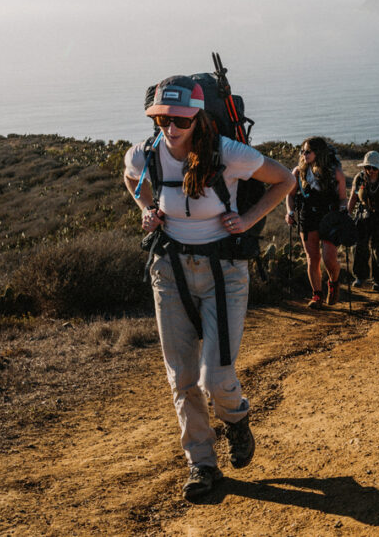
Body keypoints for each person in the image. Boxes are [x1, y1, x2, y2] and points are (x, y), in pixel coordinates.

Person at [123, 75, 295, 501]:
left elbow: (285, 180)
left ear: (197, 117)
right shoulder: (146, 154)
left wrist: (249, 219)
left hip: (224, 272)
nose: (170, 128)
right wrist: (147, 208)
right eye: (163, 118)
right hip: (169, 270)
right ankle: (202, 464)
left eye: (179, 119)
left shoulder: (227, 153)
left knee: (215, 378)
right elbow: (130, 179)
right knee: (182, 377)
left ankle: (236, 420)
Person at [285, 137, 347, 308]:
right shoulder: (298, 172)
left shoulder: (335, 173)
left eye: (307, 151)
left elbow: (343, 198)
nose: (303, 154)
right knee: (313, 258)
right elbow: (289, 195)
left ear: (317, 153)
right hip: (307, 217)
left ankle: (334, 282)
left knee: (329, 258)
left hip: (329, 217)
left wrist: (343, 211)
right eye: (302, 151)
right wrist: (289, 212)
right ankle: (317, 296)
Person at [347, 151, 379, 291]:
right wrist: (347, 216)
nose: (371, 171)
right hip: (363, 217)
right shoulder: (359, 178)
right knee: (359, 247)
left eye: (374, 168)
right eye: (367, 167)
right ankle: (360, 276)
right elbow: (353, 198)